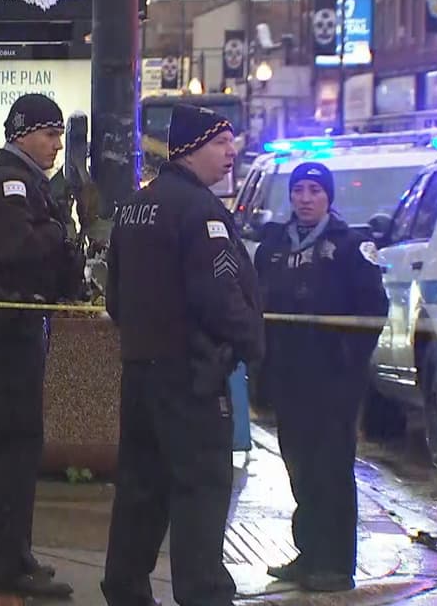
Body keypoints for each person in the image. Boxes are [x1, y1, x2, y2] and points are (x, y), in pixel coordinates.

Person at [102, 104, 265, 606]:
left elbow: (115, 296)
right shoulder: (201, 211)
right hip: (192, 376)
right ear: (191, 149)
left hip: (140, 372)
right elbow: (219, 295)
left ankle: (125, 588)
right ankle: (203, 593)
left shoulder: (135, 207)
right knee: (202, 488)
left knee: (140, 487)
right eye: (220, 142)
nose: (231, 152)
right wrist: (252, 344)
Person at [0, 93, 78, 598]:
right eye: (50, 135)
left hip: (11, 318)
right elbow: (18, 248)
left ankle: (11, 552)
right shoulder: (11, 181)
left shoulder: (12, 177)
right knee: (16, 442)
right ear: (24, 133)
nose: (57, 146)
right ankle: (9, 562)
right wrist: (58, 230)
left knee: (15, 441)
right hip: (9, 321)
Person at [253, 162, 389, 593]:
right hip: (288, 377)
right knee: (300, 467)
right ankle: (309, 553)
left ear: (328, 196)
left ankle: (335, 563)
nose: (305, 198)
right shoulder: (274, 245)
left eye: (314, 190)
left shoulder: (351, 245)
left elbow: (373, 310)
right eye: (299, 190)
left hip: (333, 381)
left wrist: (347, 360)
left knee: (331, 468)